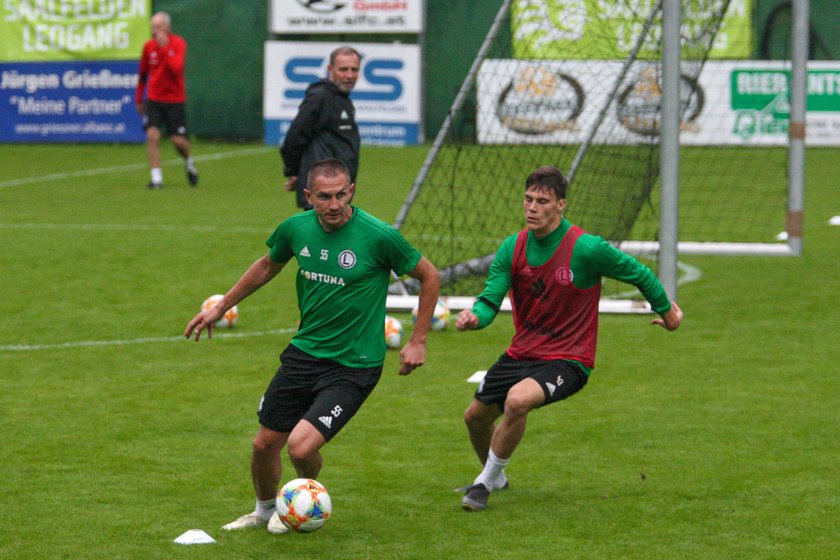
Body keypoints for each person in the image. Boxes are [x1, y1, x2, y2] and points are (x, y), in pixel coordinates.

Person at [184, 157, 440, 534]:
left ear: (351, 191)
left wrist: (418, 341)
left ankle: (305, 504)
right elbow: (268, 266)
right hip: (305, 353)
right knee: (263, 445)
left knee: (301, 448)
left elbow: (429, 276)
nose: (334, 204)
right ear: (309, 196)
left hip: (355, 364)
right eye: (324, 196)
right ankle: (263, 511)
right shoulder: (295, 229)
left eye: (341, 195)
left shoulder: (379, 236)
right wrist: (222, 306)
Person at [455, 165, 683, 512]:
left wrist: (668, 313)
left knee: (517, 401)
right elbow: (489, 300)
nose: (532, 207)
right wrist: (475, 318)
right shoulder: (512, 248)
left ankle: (483, 483)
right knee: (475, 417)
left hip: (570, 359)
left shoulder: (587, 248)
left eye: (542, 201)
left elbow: (640, 272)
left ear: (561, 205)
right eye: (528, 199)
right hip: (522, 354)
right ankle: (497, 477)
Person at [280, 46, 361, 210]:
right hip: (323, 193)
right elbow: (295, 137)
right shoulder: (320, 97)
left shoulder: (342, 99)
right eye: (343, 69)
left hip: (337, 191)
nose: (349, 75)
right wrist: (294, 171)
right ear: (330, 69)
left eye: (354, 70)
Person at [135, 11, 198, 189]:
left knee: (177, 141)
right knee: (152, 135)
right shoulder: (148, 47)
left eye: (158, 27)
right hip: (154, 98)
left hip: (175, 99)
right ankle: (156, 179)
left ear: (168, 27)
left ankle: (189, 162)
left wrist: (164, 49)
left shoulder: (178, 44)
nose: (155, 31)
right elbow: (143, 74)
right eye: (153, 28)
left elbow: (176, 70)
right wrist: (139, 98)